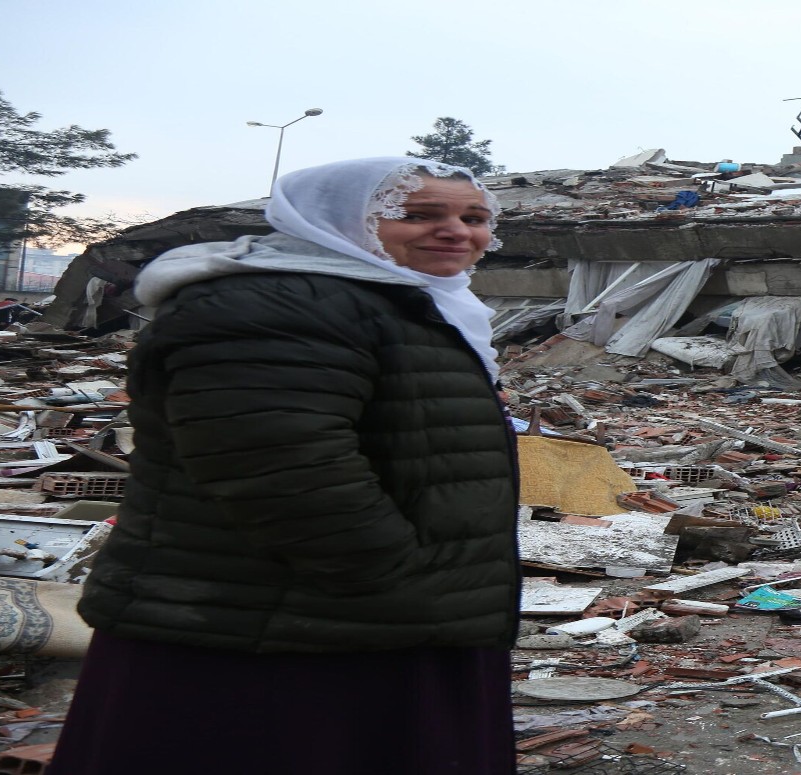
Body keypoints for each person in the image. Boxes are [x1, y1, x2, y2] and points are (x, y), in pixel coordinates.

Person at [47, 158, 521, 775]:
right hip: (277, 631)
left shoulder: (403, 303)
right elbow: (279, 467)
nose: (457, 232)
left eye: (474, 218)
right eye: (417, 215)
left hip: (357, 616)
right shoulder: (272, 303)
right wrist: (392, 578)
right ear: (333, 221)